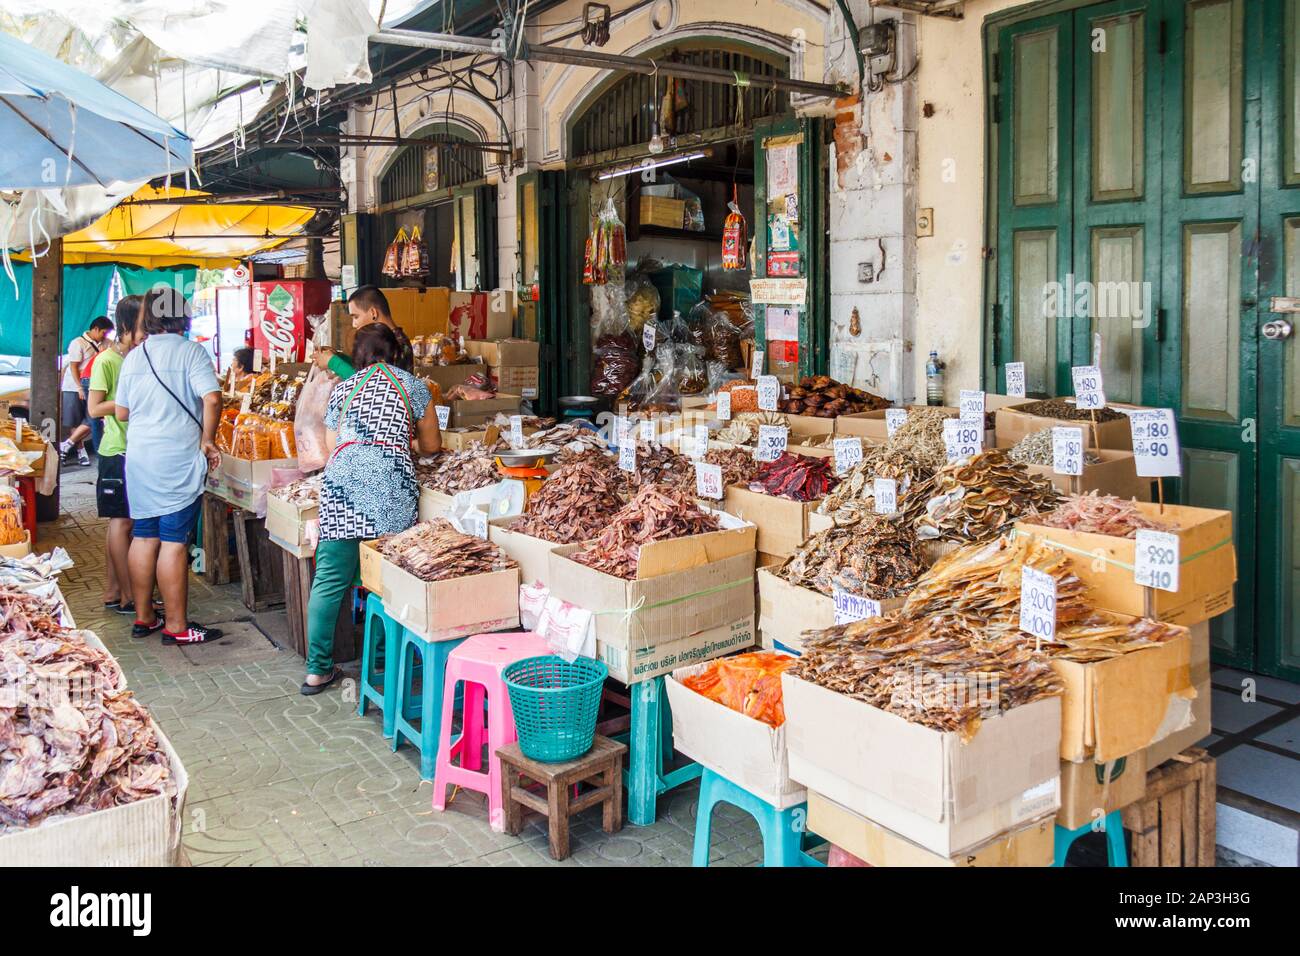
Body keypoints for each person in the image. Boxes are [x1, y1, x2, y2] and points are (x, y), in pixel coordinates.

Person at [303, 322, 440, 695]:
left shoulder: (344, 388)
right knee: (388, 579)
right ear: (395, 352)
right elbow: (431, 445)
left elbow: (333, 445)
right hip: (390, 487)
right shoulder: (412, 385)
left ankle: (316, 671)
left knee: (329, 580)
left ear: (358, 355)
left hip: (341, 487)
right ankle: (382, 659)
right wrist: (399, 440)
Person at [114, 288, 224, 646]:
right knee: (174, 542)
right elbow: (211, 398)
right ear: (183, 316)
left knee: (144, 535)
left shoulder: (134, 356)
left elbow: (121, 412)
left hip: (141, 458)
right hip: (176, 459)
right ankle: (177, 626)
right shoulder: (191, 352)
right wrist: (207, 439)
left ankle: (144, 617)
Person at [87, 296, 150, 615]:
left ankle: (113, 591)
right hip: (116, 450)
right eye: (143, 323)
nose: (148, 330)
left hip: (136, 448)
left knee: (125, 522)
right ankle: (128, 595)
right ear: (127, 325)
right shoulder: (106, 361)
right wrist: (125, 402)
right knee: (121, 523)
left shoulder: (137, 356)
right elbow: (94, 407)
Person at [312, 285, 414, 379]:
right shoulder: (384, 340)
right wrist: (338, 356)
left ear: (373, 313)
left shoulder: (396, 343)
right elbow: (365, 371)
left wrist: (333, 362)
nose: (354, 324)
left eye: (356, 317)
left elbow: (370, 385)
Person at [59, 316, 112, 466]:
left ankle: (66, 444)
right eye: (103, 332)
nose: (105, 336)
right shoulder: (78, 343)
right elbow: (74, 367)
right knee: (75, 420)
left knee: (92, 418)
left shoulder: (107, 343)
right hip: (74, 385)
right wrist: (79, 387)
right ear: (95, 329)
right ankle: (81, 451)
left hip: (95, 385)